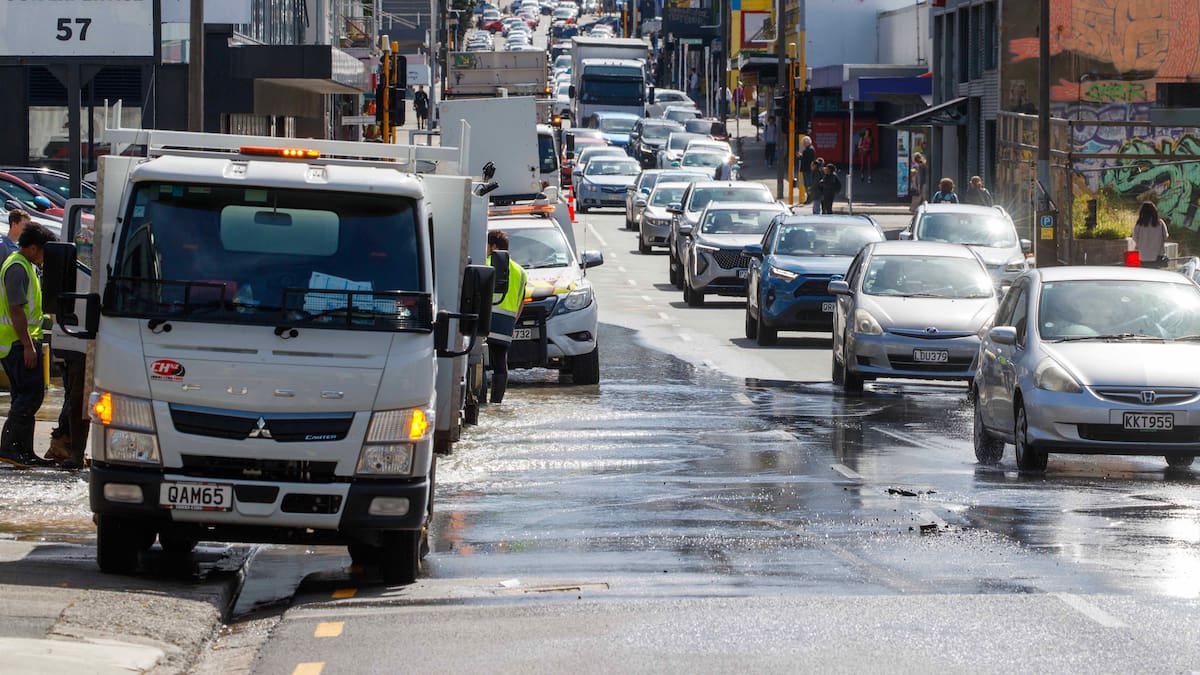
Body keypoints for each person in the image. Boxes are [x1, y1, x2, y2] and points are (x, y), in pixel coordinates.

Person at [0, 223, 58, 468]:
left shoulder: (27, 266)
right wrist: (27, 345)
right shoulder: (17, 267)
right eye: (44, 252)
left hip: (19, 340)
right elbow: (16, 309)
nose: (45, 258)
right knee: (30, 395)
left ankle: (23, 450)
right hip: (16, 342)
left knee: (25, 396)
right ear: (33, 248)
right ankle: (9, 447)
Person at [486, 230, 528, 404]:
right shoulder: (521, 272)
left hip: (485, 322)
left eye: (487, 245)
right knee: (500, 366)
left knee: (478, 362)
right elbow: (521, 302)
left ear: (494, 246)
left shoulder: (486, 263)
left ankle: (481, 401)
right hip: (506, 324)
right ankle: (497, 402)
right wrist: (511, 322)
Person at [1133, 201, 1169, 267]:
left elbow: (1135, 237)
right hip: (1157, 255)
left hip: (1143, 255)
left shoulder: (1139, 224)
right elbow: (1165, 236)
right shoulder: (1160, 223)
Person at [799, 137, 816, 202]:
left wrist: (801, 156)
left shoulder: (809, 150)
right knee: (807, 184)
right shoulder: (809, 149)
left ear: (807, 143)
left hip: (807, 170)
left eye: (804, 143)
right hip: (807, 169)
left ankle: (810, 198)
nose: (803, 144)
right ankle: (809, 197)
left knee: (808, 184)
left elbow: (807, 160)